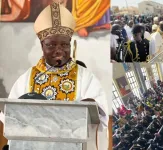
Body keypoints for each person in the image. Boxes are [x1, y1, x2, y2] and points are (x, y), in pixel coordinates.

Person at [6, 2, 108, 150]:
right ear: (42, 46)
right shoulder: (27, 78)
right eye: (51, 45)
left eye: (64, 45)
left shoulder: (85, 77)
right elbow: (9, 116)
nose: (59, 50)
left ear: (71, 45)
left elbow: (101, 116)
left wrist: (92, 106)